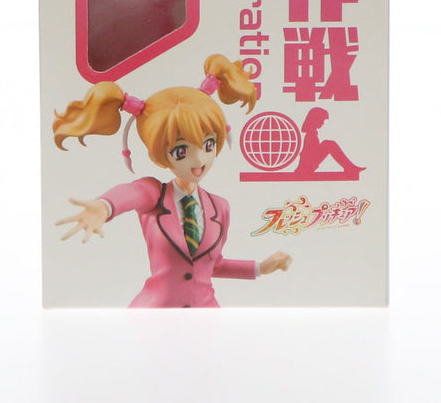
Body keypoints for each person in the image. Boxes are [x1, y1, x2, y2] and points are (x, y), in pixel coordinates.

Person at [53, 54, 292, 307]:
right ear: (160, 154)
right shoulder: (154, 194)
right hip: (156, 312)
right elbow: (131, 193)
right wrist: (105, 206)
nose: (198, 160)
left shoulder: (219, 207)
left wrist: (260, 268)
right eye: (181, 151)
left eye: (208, 145)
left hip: (205, 312)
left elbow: (212, 265)